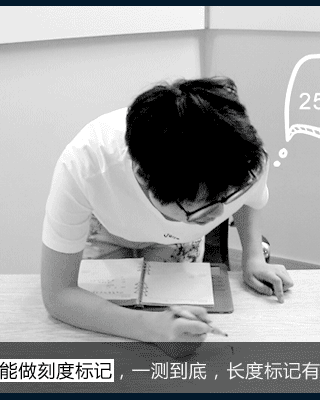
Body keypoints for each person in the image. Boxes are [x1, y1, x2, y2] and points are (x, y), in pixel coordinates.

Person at [40, 77, 294, 343]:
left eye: (227, 198)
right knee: (105, 326)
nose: (219, 215)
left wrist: (253, 256)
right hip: (106, 228)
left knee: (178, 321)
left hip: (176, 241)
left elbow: (249, 198)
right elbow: (59, 295)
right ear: (142, 177)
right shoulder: (85, 166)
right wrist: (150, 327)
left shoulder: (245, 158)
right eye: (201, 208)